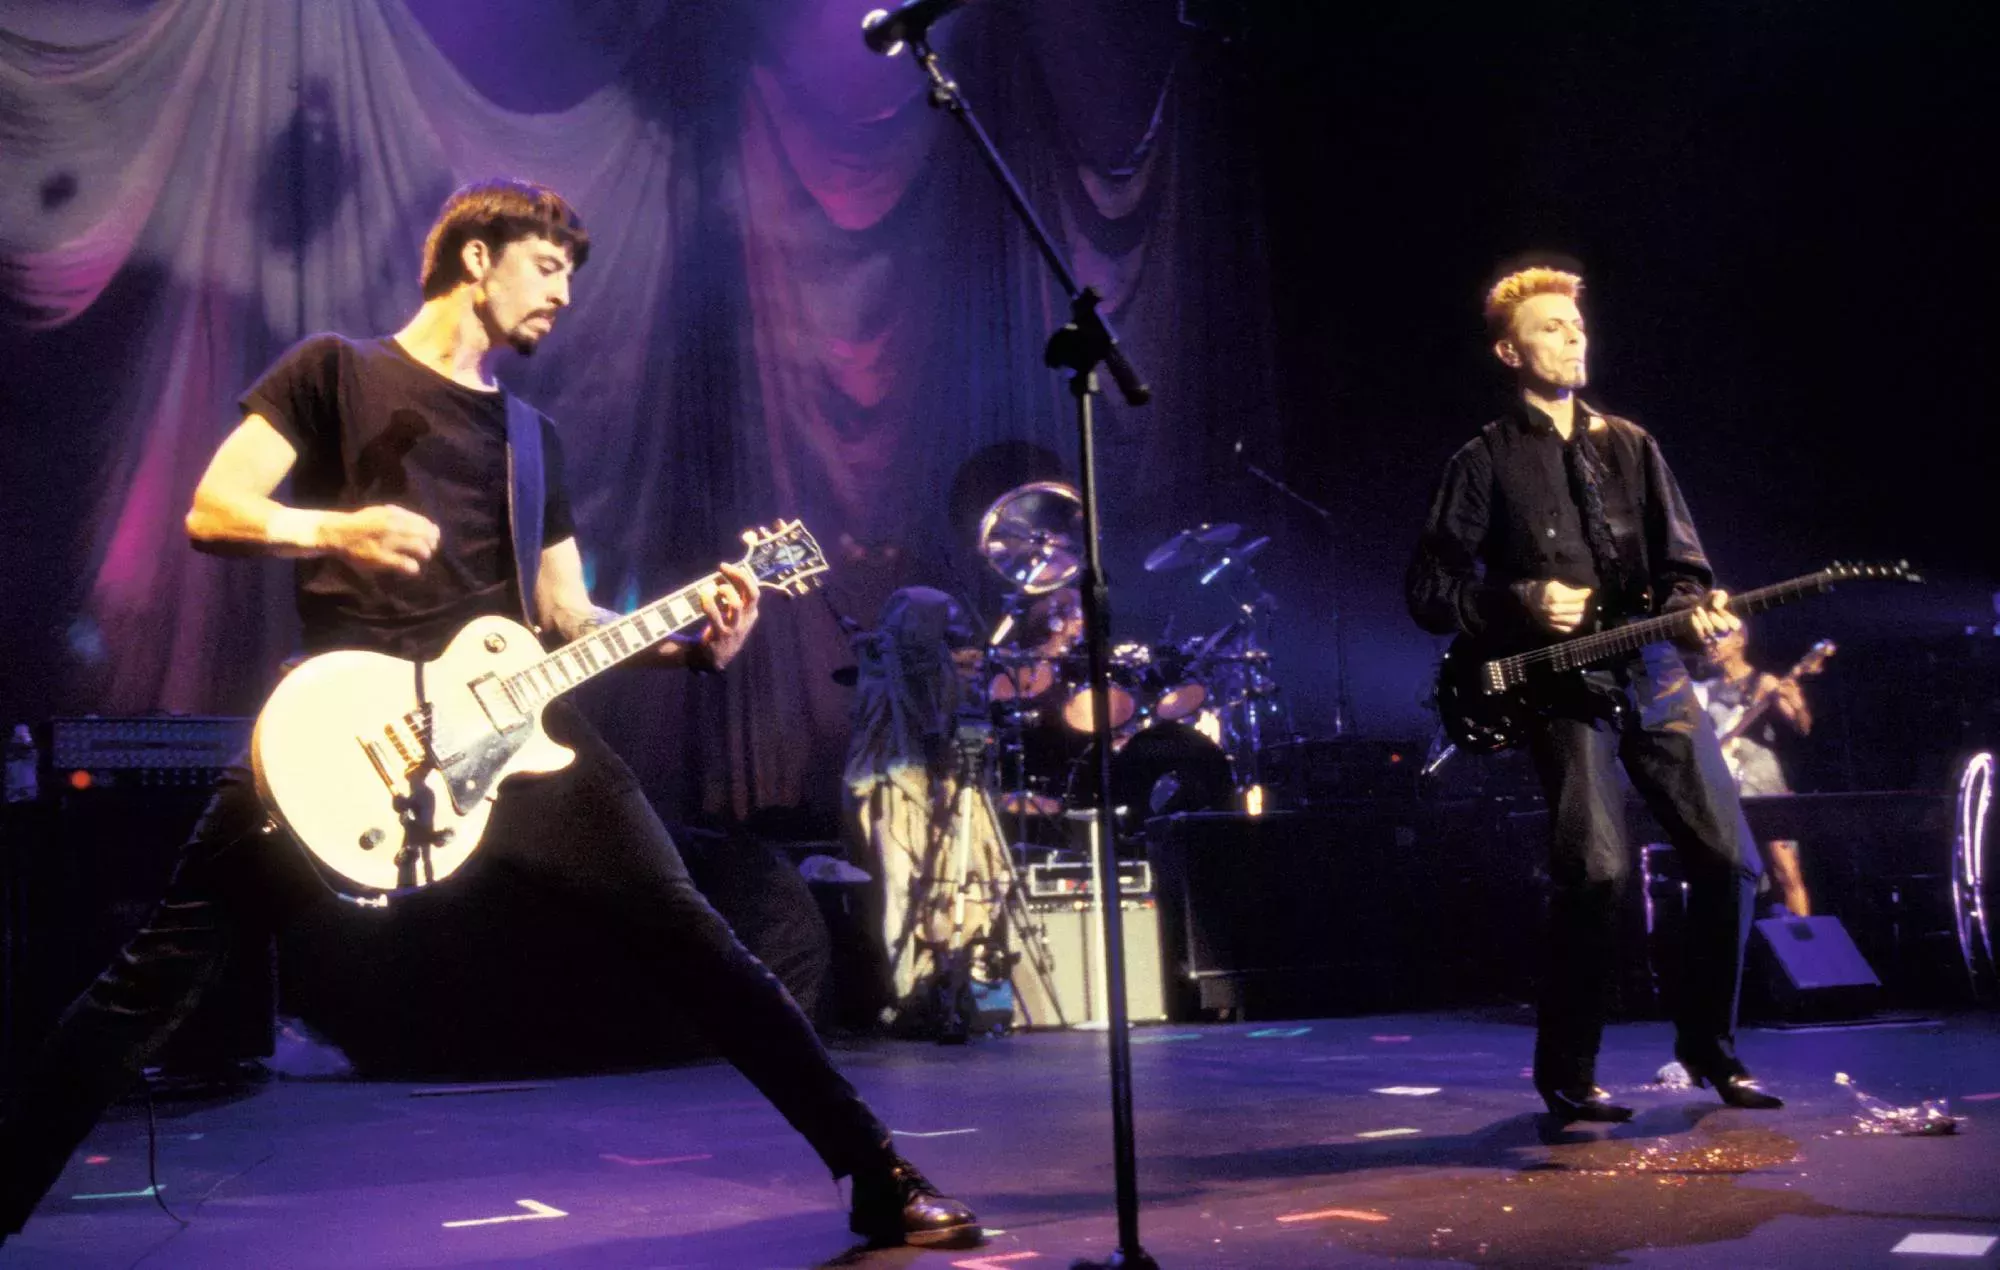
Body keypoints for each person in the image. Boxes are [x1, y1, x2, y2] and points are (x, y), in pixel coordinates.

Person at [0, 180, 978, 1250]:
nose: (564, 294)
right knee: (155, 978)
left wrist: (691, 636)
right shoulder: (332, 371)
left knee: (699, 941)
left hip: (518, 735)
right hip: (350, 734)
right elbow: (213, 509)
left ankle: (876, 1172)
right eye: (548, 266)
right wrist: (338, 531)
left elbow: (563, 614)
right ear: (477, 257)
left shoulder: (530, 437)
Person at [1407, 263, 1783, 1123]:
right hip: (1563, 688)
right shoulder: (1482, 461)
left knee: (1731, 861)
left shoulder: (1632, 446)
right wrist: (1519, 601)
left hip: (1654, 674)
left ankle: (1710, 1049)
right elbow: (1429, 590)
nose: (1573, 335)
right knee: (1597, 871)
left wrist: (1694, 612)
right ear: (1510, 352)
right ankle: (1569, 1073)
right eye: (1550, 326)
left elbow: (1685, 569)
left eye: (1576, 324)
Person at [1694, 625, 1816, 916]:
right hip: (1725, 783)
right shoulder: (1706, 689)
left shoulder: (1763, 682)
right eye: (1707, 639)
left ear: (1739, 641)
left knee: (1785, 867)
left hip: (1762, 778)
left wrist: (1797, 704)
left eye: (1718, 638)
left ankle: (1801, 935)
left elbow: (1802, 727)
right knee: (1732, 870)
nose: (1710, 644)